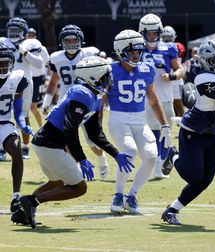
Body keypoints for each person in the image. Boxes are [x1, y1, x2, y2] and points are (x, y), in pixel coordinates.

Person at [13, 56, 134, 229]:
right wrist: (82, 158)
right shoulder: (81, 94)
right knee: (79, 188)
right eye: (106, 75)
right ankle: (31, 201)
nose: (110, 79)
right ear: (94, 76)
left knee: (56, 182)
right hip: (50, 144)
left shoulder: (94, 97)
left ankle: (23, 211)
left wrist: (115, 154)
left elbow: (95, 133)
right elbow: (70, 129)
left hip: (47, 144)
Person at [160, 40, 215, 225]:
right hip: (194, 132)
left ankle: (172, 210)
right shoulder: (204, 78)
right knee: (193, 176)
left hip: (214, 133)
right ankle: (173, 156)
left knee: (205, 180)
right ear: (206, 61)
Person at [108, 29, 172, 214]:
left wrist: (165, 125)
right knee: (129, 151)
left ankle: (131, 196)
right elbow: (100, 99)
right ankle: (118, 194)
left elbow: (153, 100)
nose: (136, 56)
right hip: (118, 119)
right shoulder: (110, 70)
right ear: (121, 52)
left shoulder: (146, 69)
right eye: (132, 52)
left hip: (139, 120)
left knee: (151, 157)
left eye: (138, 52)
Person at [41, 24, 110, 179]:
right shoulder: (57, 58)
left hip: (88, 101)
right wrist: (47, 102)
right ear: (62, 42)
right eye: (68, 41)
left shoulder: (89, 53)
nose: (71, 43)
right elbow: (53, 82)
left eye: (74, 40)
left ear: (80, 40)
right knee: (66, 138)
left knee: (92, 140)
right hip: (67, 102)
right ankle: (75, 169)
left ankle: (100, 158)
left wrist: (102, 99)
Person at [139, 13, 184, 179]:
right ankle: (154, 162)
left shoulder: (169, 48)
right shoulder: (136, 48)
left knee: (165, 132)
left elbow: (180, 70)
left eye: (154, 33)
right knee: (150, 134)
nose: (152, 36)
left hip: (165, 97)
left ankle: (160, 164)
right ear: (142, 33)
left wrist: (171, 76)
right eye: (149, 33)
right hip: (145, 99)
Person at [0, 17, 43, 160]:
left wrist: (25, 52)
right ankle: (3, 147)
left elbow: (39, 64)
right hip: (4, 81)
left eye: (16, 30)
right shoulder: (3, 42)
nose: (12, 33)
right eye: (10, 30)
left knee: (23, 115)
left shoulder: (30, 43)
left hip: (24, 83)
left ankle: (24, 146)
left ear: (24, 31)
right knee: (4, 116)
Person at [0, 42, 32, 216]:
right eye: (0, 62)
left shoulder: (17, 77)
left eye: (5, 62)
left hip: (4, 123)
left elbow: (18, 111)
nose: (3, 66)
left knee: (17, 150)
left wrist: (23, 124)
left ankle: (15, 196)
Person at [27, 27, 50, 128]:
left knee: (33, 107)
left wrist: (47, 78)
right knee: (24, 107)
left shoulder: (42, 48)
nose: (31, 37)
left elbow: (48, 63)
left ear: (35, 36)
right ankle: (22, 128)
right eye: (29, 35)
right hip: (26, 78)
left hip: (37, 79)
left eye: (32, 35)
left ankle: (41, 128)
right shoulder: (23, 47)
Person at [161, 25, 186, 117]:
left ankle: (184, 125)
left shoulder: (177, 47)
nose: (166, 39)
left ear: (173, 37)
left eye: (168, 37)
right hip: (163, 78)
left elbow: (177, 64)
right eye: (164, 37)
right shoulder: (157, 48)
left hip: (175, 78)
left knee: (178, 105)